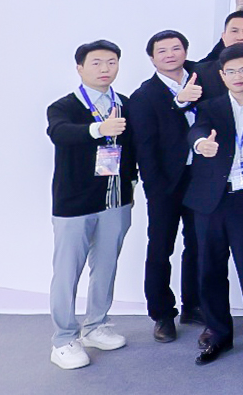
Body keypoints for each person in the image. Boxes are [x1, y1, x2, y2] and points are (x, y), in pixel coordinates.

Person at [45, 40, 137, 370]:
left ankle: (96, 326)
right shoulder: (63, 106)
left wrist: (132, 183)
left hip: (116, 200)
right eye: (96, 63)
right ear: (80, 68)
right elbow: (60, 133)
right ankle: (63, 339)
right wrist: (99, 129)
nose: (104, 69)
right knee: (67, 271)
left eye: (111, 62)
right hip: (74, 203)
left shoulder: (126, 104)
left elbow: (135, 147)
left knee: (106, 266)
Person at [184, 42, 243, 364]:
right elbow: (196, 129)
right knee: (210, 268)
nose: (237, 76)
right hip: (212, 199)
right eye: (230, 71)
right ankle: (218, 333)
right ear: (222, 75)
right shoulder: (212, 106)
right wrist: (200, 144)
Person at [130, 29, 204, 342]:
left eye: (176, 48)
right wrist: (154, 188)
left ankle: (194, 305)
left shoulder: (202, 78)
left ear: (186, 51)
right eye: (162, 51)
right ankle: (162, 314)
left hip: (201, 177)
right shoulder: (144, 96)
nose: (170, 55)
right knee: (161, 248)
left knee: (199, 244)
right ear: (152, 58)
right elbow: (145, 148)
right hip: (165, 183)